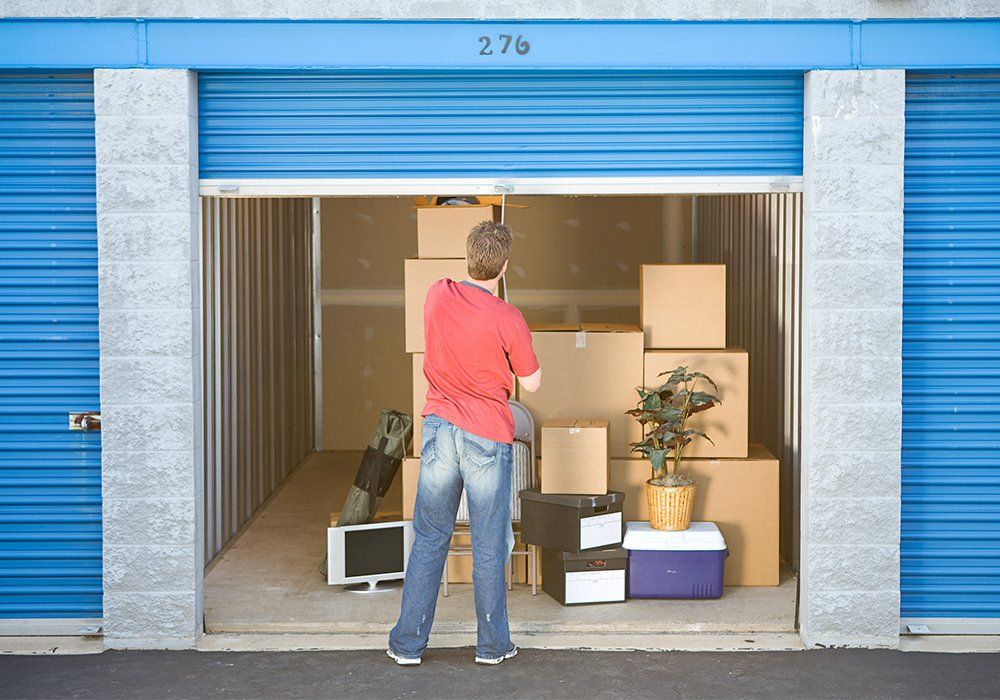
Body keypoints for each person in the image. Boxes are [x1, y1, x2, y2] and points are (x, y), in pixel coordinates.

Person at [388, 219, 542, 667]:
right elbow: (531, 384)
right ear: (505, 267)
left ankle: (407, 645)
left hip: (438, 429)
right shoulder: (508, 317)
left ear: (468, 257)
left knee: (430, 537)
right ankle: (492, 646)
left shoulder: (437, 293)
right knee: (490, 543)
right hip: (486, 437)